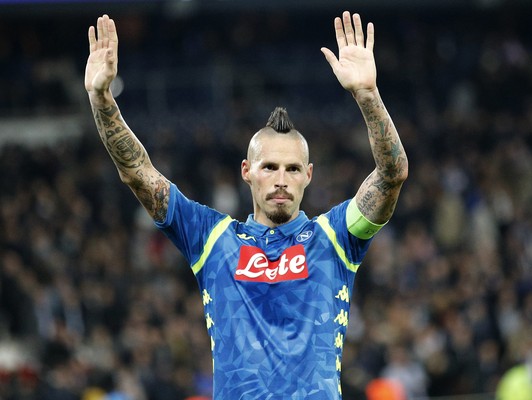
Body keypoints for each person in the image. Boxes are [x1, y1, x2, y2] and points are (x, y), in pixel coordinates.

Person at [85, 10, 408, 399]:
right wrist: (101, 98)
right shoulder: (212, 237)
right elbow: (139, 173)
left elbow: (392, 175)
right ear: (246, 171)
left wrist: (367, 95)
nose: (281, 179)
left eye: (292, 169)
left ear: (308, 175)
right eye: (269, 167)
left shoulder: (335, 234)